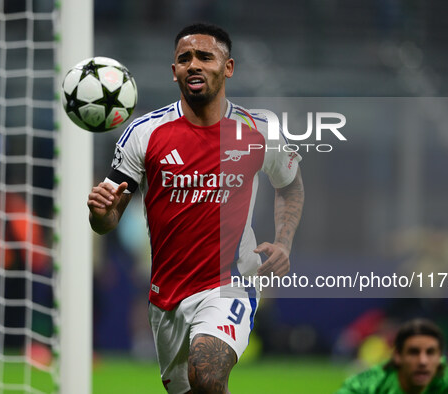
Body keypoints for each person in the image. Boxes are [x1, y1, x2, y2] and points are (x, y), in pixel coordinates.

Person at [87, 23, 304, 393]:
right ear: (174, 72)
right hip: (166, 296)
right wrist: (99, 210)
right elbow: (107, 221)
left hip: (229, 283)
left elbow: (290, 187)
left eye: (205, 56)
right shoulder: (145, 133)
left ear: (228, 67)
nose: (193, 65)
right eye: (184, 59)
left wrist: (283, 242)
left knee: (206, 373)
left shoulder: (259, 130)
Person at [337, 318, 448, 394]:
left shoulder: (444, 379)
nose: (423, 361)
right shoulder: (366, 385)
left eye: (430, 352)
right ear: (397, 356)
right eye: (413, 352)